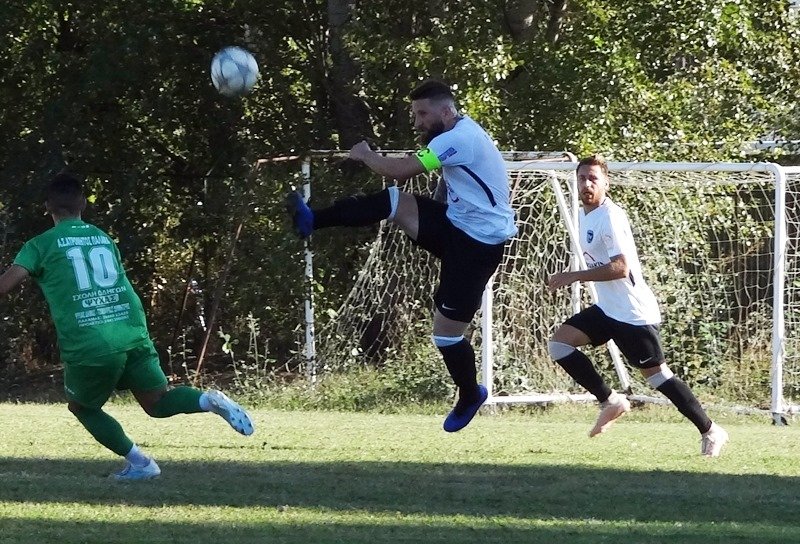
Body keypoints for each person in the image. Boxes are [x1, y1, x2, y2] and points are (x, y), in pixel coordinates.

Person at [286, 79, 517, 432]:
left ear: (446, 111)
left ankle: (471, 394)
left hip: (477, 247)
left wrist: (365, 155)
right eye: (415, 115)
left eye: (422, 114)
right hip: (456, 228)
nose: (417, 122)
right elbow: (450, 179)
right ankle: (312, 220)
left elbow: (402, 169)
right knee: (394, 202)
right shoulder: (456, 134)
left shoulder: (459, 138)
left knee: (446, 336)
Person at [0, 173, 255, 481]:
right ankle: (207, 401)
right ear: (83, 203)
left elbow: (7, 284)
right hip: (131, 329)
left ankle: (141, 463)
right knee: (157, 402)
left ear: (47, 207)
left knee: (82, 407)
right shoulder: (102, 237)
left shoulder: (39, 245)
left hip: (90, 340)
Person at [546, 154, 729, 457]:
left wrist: (573, 276)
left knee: (658, 377)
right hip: (608, 309)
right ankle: (611, 401)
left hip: (632, 313)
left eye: (593, 178)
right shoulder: (587, 214)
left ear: (606, 182)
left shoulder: (610, 216)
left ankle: (711, 430)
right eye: (582, 178)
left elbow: (620, 268)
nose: (587, 184)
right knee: (560, 345)